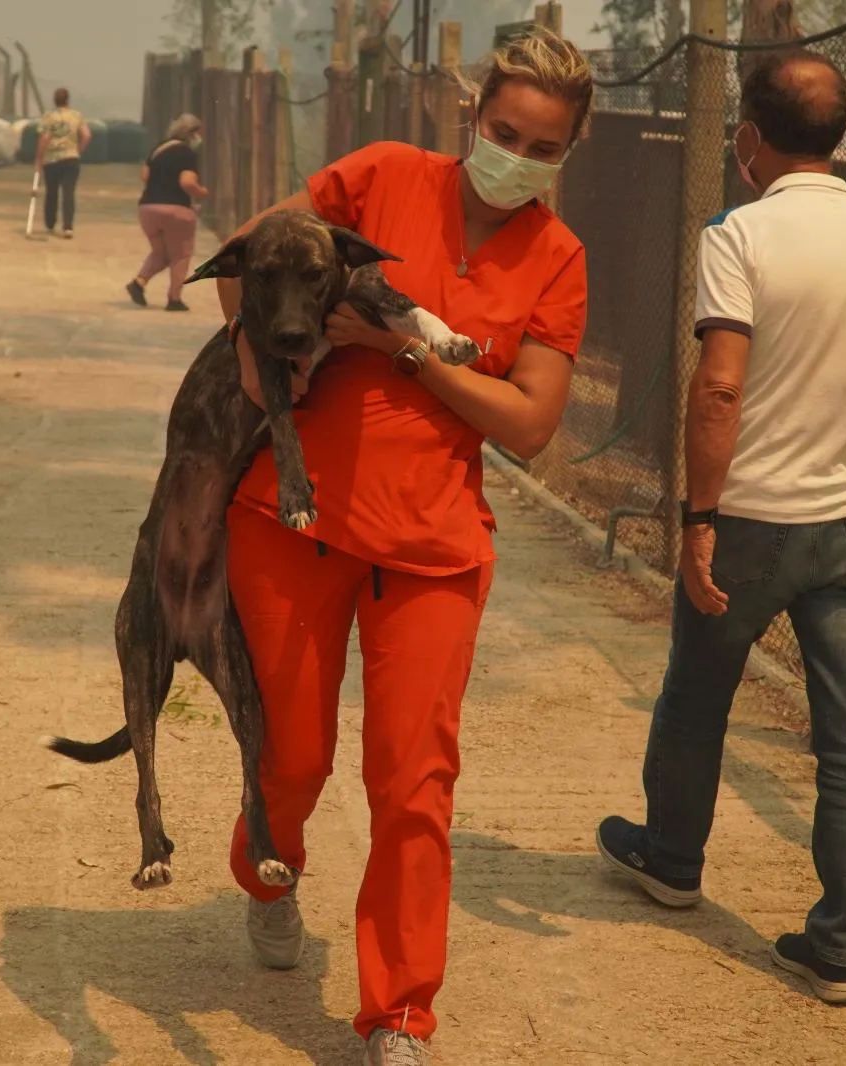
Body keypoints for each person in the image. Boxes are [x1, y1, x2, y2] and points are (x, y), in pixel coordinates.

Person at [213, 30, 591, 1066]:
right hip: (291, 526)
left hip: (433, 548)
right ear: (474, 119)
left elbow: (526, 423)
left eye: (541, 145)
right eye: (503, 131)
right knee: (291, 757)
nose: (514, 154)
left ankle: (397, 1014)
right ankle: (266, 865)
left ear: (569, 151)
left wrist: (405, 351)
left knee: (412, 781)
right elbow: (244, 254)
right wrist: (260, 372)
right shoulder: (379, 177)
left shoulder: (556, 259)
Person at [594, 49, 846, 1007]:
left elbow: (721, 383)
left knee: (697, 697)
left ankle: (673, 860)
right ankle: (840, 948)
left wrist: (698, 521)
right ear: (840, 134)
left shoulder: (737, 236)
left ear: (748, 139)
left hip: (750, 522)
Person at [127, 113, 210, 312]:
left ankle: (138, 283)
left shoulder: (159, 149)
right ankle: (174, 299)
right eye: (199, 133)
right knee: (181, 254)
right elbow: (187, 182)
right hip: (176, 210)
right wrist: (201, 192)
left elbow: (144, 176)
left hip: (148, 209)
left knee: (161, 253)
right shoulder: (188, 154)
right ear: (192, 133)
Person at [34, 88, 91, 238]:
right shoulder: (76, 116)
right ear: (67, 100)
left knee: (51, 192)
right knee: (68, 192)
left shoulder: (48, 117)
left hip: (52, 159)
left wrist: (39, 159)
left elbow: (45, 138)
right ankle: (68, 227)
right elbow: (86, 135)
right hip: (71, 158)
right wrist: (78, 150)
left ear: (54, 100)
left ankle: (50, 223)